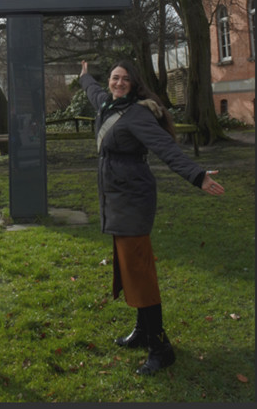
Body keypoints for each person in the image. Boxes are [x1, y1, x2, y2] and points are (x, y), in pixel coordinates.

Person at [79, 59, 224, 376]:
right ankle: (143, 331)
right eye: (115, 78)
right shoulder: (106, 103)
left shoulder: (137, 114)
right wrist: (84, 75)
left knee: (140, 271)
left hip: (132, 199)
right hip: (115, 197)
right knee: (129, 267)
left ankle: (161, 347)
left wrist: (197, 176)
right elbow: (91, 91)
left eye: (124, 80)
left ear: (133, 84)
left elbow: (165, 147)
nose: (118, 83)